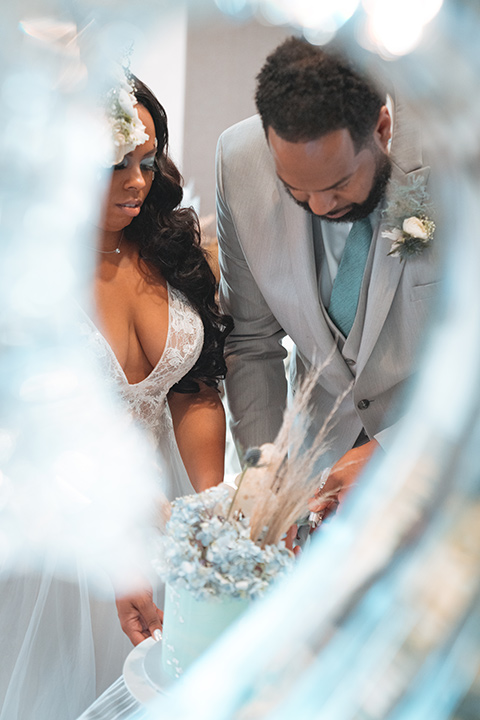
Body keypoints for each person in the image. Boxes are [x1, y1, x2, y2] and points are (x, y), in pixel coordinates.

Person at [0, 75, 231, 720]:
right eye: (115, 164)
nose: (138, 181)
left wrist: (204, 516)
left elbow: (195, 384)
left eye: (148, 160)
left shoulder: (173, 251)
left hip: (166, 515)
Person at [216, 37, 441, 515]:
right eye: (295, 187)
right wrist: (265, 476)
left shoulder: (459, 152)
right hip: (318, 475)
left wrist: (395, 452)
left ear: (382, 129)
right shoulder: (239, 162)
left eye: (338, 184)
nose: (319, 206)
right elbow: (251, 341)